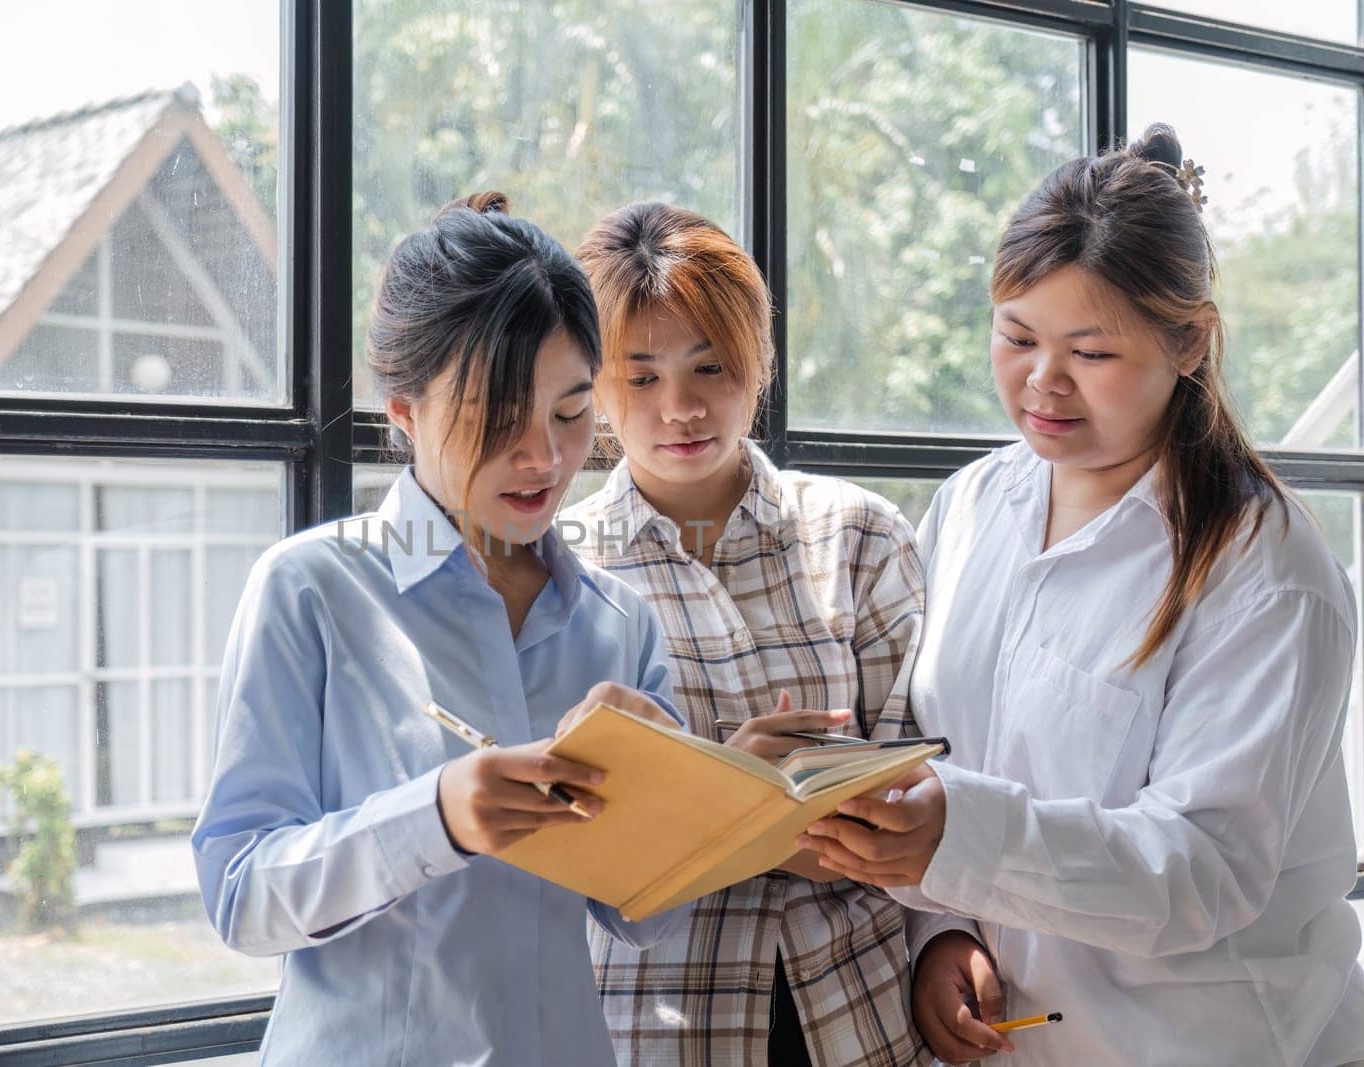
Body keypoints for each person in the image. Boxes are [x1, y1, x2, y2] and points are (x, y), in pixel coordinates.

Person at [796, 125, 1364, 1066]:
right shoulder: (973, 505)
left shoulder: (1267, 572)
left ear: (1189, 342)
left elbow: (1203, 869)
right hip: (1012, 1038)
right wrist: (941, 932)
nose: (1042, 382)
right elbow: (933, 747)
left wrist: (956, 840)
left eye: (1091, 354)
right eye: (1016, 337)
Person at [192, 192, 689, 1065]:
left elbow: (648, 917)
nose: (543, 456)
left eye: (571, 413)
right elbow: (241, 896)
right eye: (498, 419)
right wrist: (437, 818)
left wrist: (682, 789)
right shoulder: (311, 590)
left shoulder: (620, 626)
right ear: (404, 410)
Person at [562, 201, 927, 1064]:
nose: (680, 408)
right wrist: (744, 792)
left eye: (710, 366)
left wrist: (741, 820)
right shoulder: (564, 574)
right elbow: (575, 843)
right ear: (593, 385)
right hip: (658, 1026)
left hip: (861, 1010)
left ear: (757, 362)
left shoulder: (859, 533)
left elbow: (923, 776)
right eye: (641, 376)